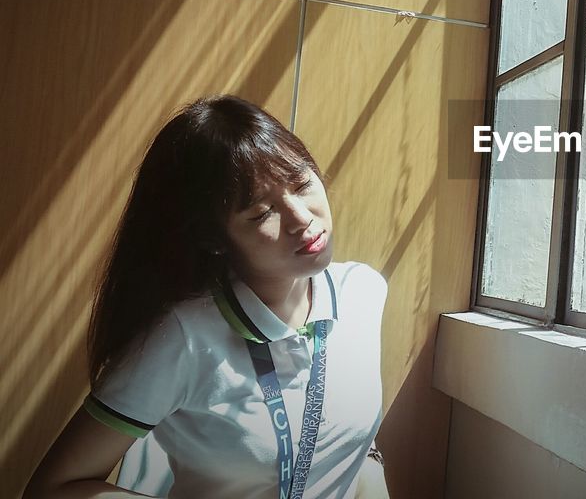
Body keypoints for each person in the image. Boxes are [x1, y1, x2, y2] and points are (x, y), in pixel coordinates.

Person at [24, 96, 390, 499]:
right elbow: (52, 488)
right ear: (214, 239)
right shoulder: (180, 337)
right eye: (262, 213)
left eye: (302, 183)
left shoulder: (364, 292)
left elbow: (350, 438)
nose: (302, 218)